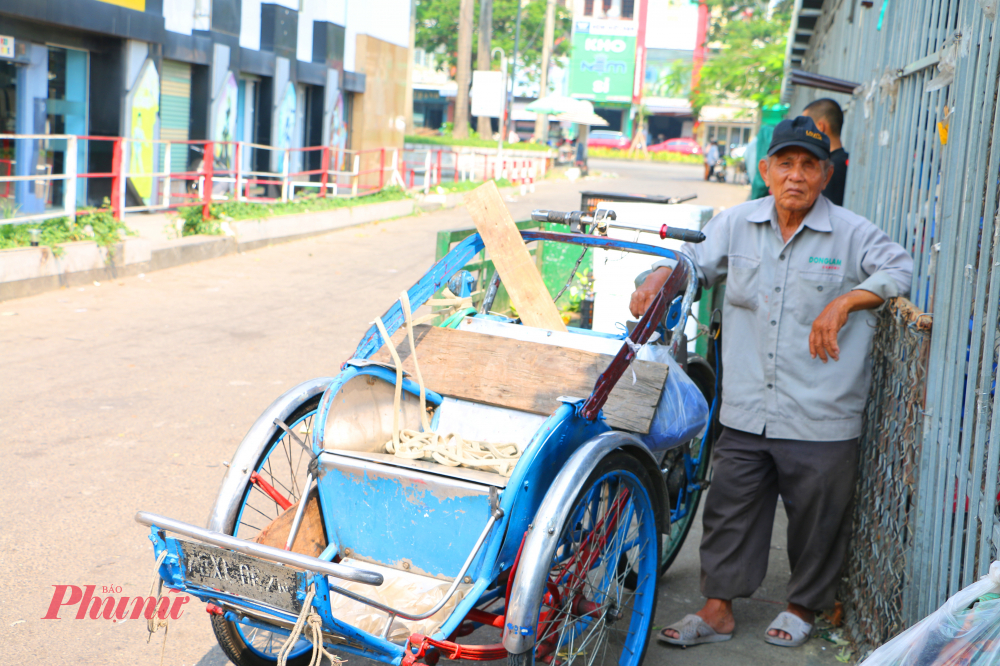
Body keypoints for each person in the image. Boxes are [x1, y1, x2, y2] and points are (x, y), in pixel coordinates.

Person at [631, 116, 912, 649]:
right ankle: (718, 610)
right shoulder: (734, 223)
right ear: (767, 169)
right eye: (786, 163)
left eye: (809, 165)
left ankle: (802, 604)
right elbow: (689, 263)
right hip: (747, 405)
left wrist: (848, 299)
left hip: (822, 413)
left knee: (816, 520)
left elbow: (899, 270)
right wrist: (655, 281)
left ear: (826, 174)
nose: (796, 176)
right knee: (729, 509)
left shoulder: (853, 233)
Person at [803, 98, 849, 206]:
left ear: (820, 127)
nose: (803, 133)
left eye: (806, 127)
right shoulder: (845, 161)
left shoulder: (829, 169)